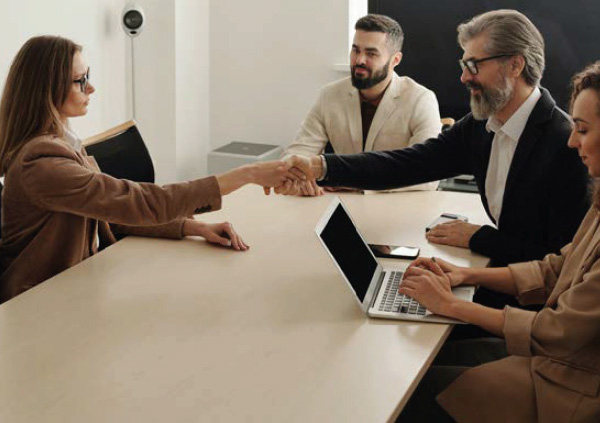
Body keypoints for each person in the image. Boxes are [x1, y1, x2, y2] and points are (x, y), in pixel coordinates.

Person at [0, 35, 301, 303]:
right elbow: (136, 202)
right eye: (80, 81)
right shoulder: (40, 163)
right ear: (47, 90)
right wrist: (245, 174)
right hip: (37, 305)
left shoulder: (64, 144)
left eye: (88, 76)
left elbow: (107, 212)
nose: (91, 87)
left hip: (78, 287)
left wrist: (191, 227)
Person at [282, 9, 590, 270]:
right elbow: (407, 164)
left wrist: (477, 238)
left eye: (474, 65)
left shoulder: (567, 144)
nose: (464, 78)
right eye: (463, 66)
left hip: (533, 307)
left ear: (515, 65)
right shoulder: (482, 126)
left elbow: (559, 262)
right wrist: (321, 167)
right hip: (501, 273)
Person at [395, 60, 600, 423]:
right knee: (424, 361)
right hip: (558, 362)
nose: (572, 140)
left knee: (405, 393)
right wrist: (464, 276)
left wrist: (450, 304)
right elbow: (555, 268)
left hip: (570, 388)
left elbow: (556, 333)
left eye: (582, 129)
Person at [283, 14, 441, 194]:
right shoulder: (330, 95)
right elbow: (298, 152)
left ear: (395, 60)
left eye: (371, 53)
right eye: (356, 50)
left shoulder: (420, 99)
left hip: (396, 210)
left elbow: (429, 173)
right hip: (338, 205)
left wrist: (353, 180)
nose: (359, 60)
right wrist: (300, 176)